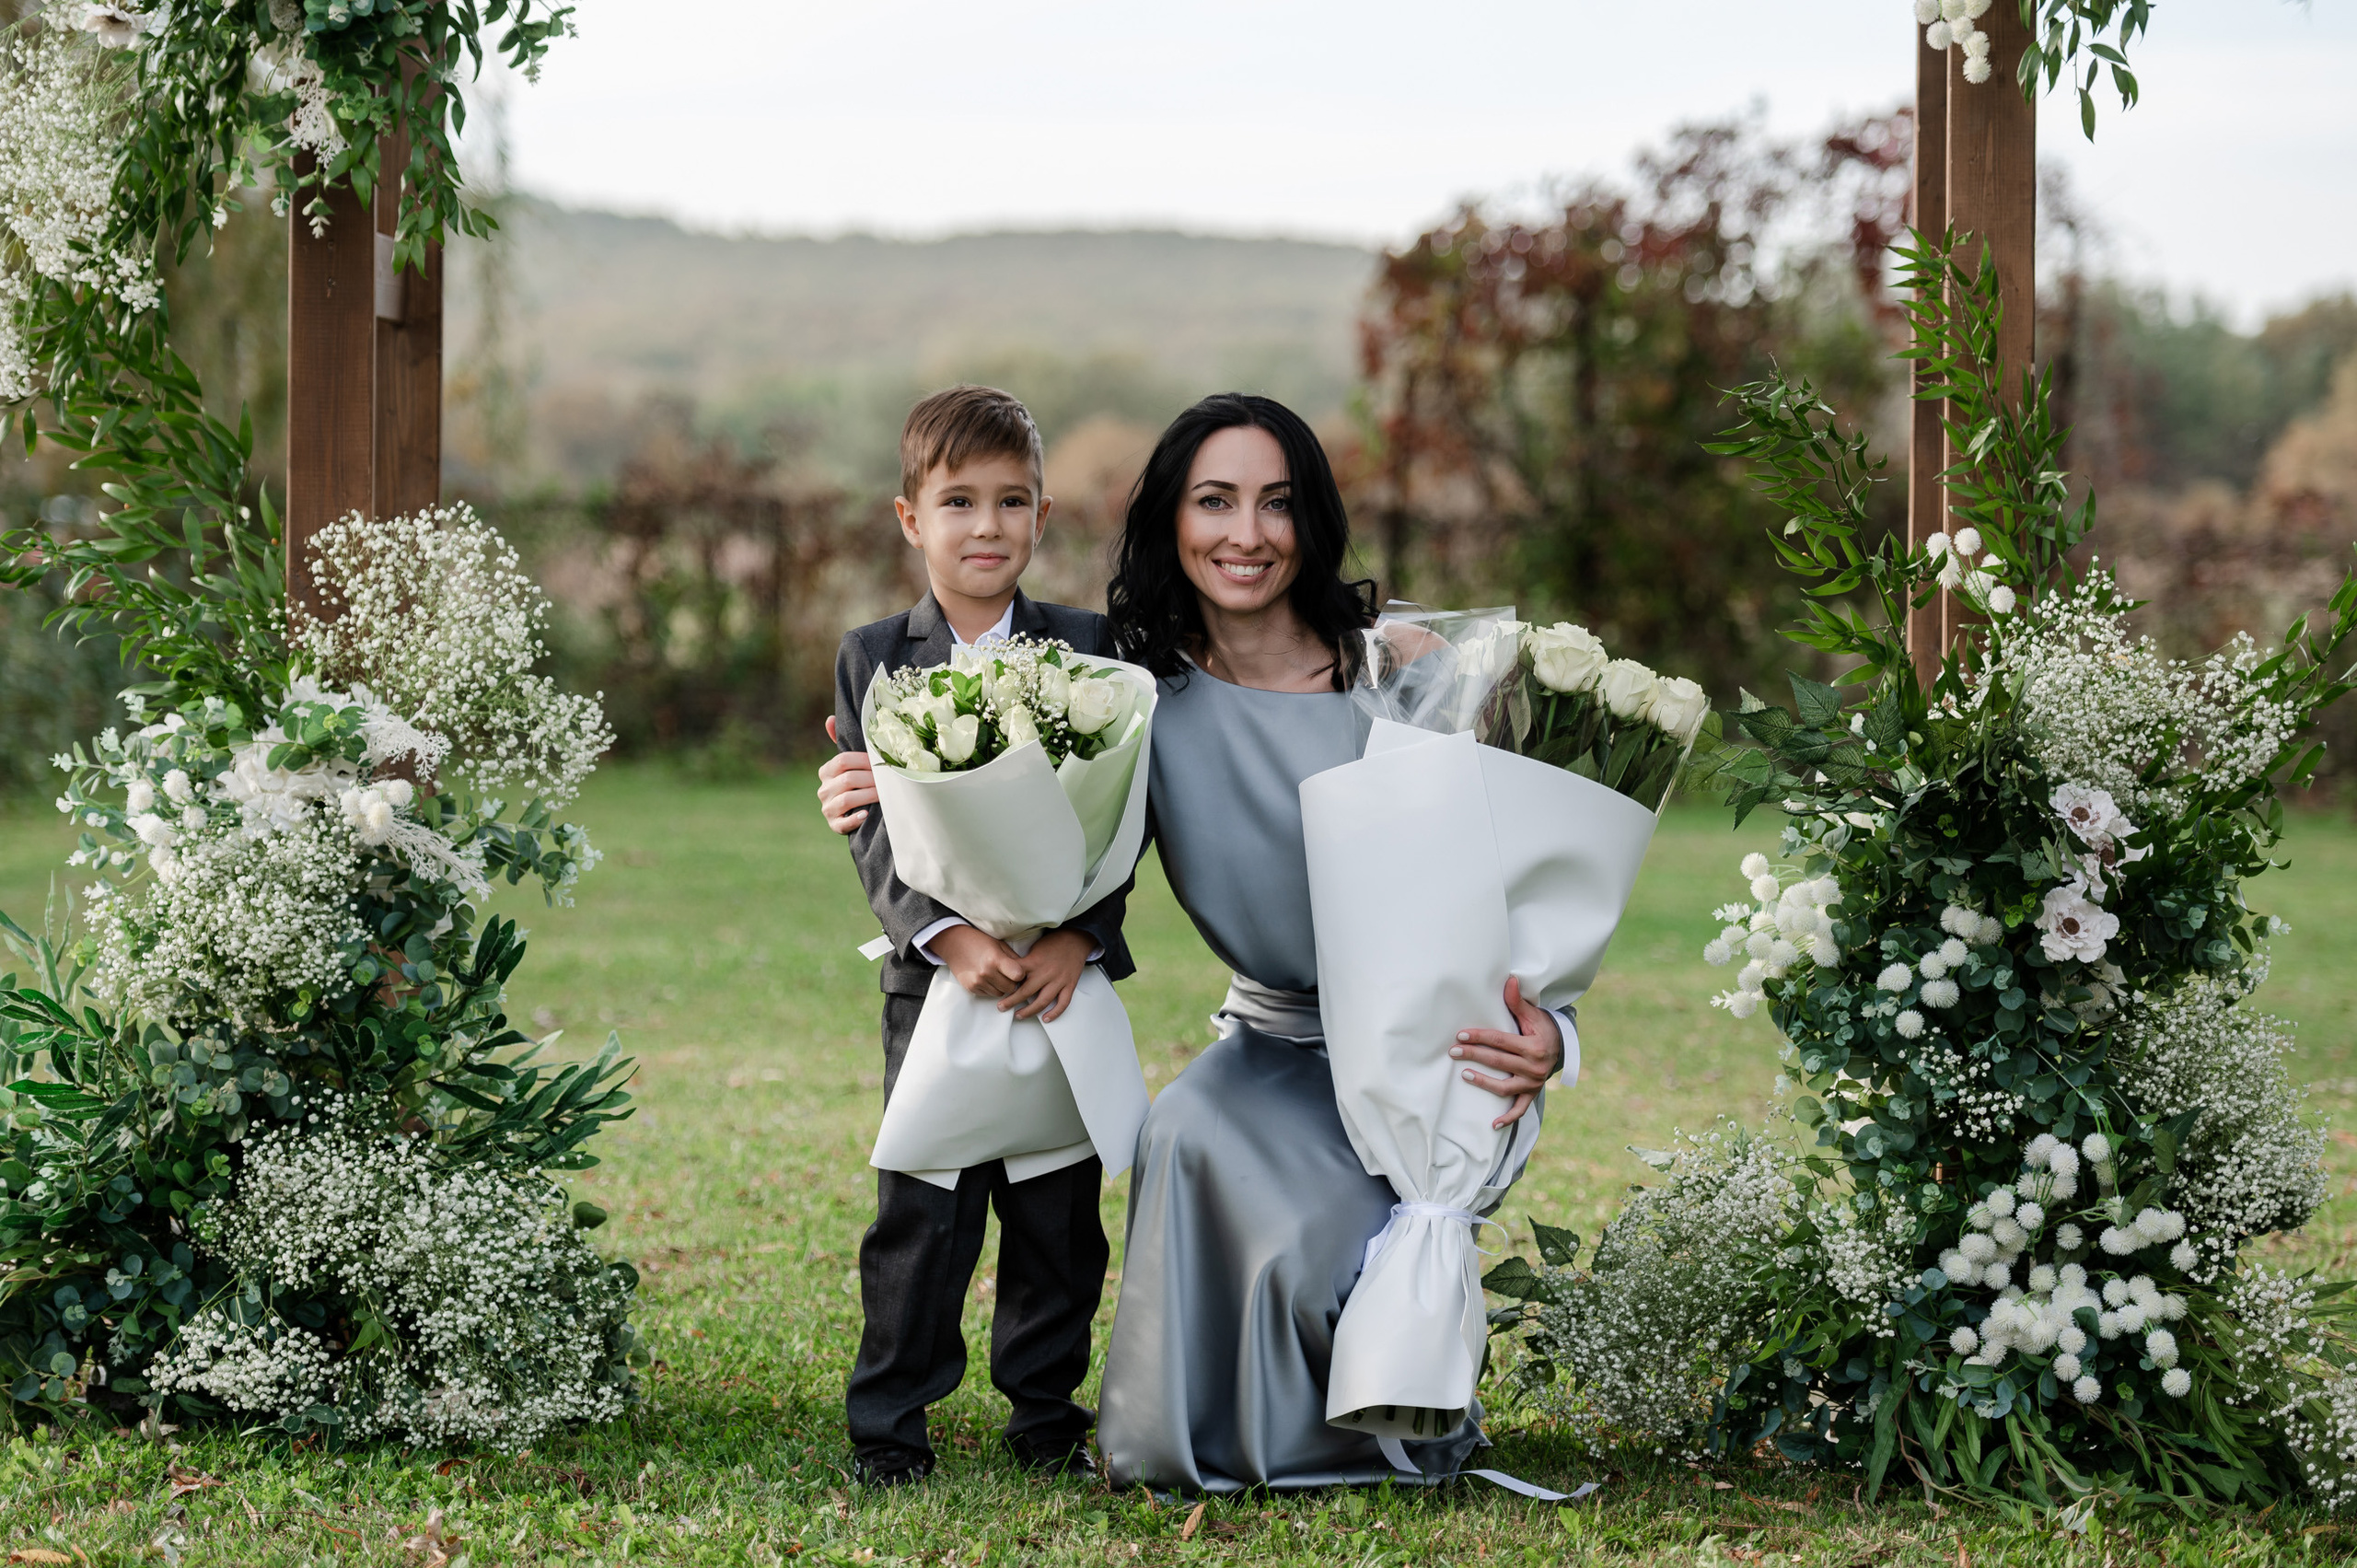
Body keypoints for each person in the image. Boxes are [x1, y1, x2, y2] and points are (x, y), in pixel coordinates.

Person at [819, 393, 1567, 1493]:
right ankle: (947, 1413)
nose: (1246, 533)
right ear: (1171, 519)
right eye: (1214, 501)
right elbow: (1045, 805)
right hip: (1264, 1039)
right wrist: (878, 782)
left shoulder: (1401, 669)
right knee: (1166, 1139)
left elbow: (1529, 876)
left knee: (1304, 1262)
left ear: (1311, 518)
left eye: (1276, 503)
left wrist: (1556, 1024)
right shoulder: (1140, 686)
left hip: (1423, 1046)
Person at [828, 386, 1131, 1487]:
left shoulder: (1089, 649)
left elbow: (1122, 816)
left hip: (1058, 985)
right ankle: (889, 1424)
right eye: (959, 501)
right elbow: (874, 829)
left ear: (1042, 516)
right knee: (924, 1209)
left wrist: (1079, 939)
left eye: (1012, 501)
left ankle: (1044, 1413)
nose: (987, 525)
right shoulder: (874, 657)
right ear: (911, 518)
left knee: (1058, 1210)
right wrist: (946, 937)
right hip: (937, 984)